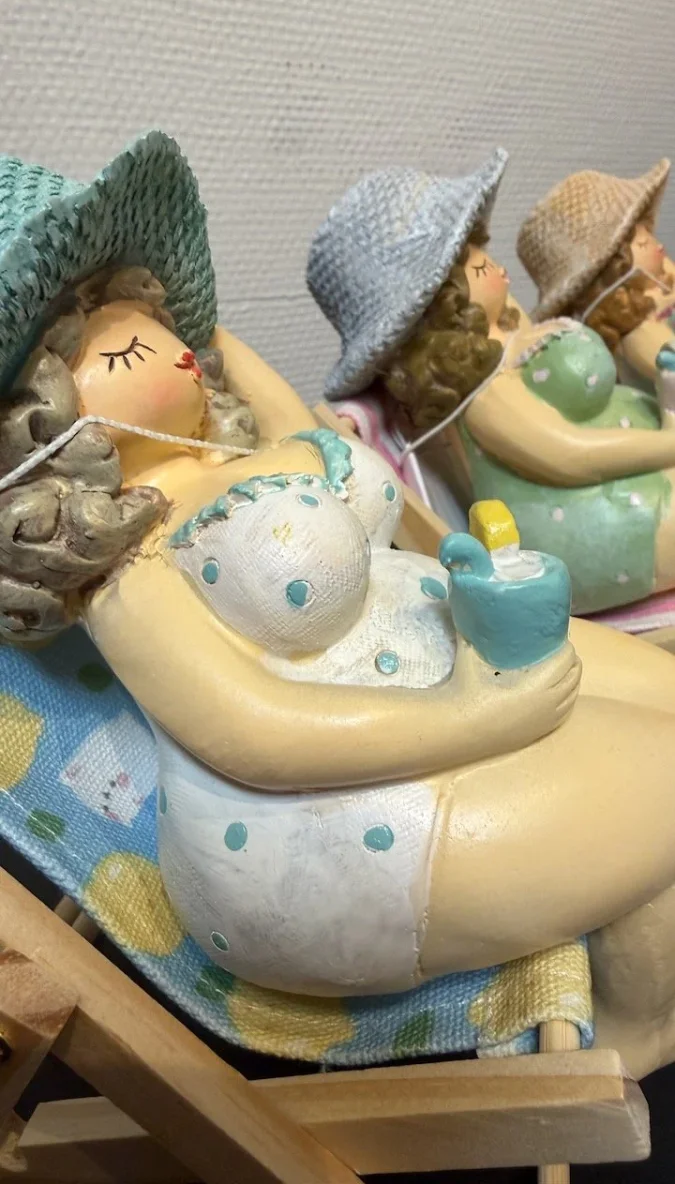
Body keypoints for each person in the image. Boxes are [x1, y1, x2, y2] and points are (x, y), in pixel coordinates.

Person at [3, 134, 675, 1076]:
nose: (183, 355)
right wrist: (470, 719)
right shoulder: (130, 563)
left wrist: (174, 302)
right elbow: (252, 733)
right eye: (130, 348)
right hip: (331, 824)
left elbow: (283, 413)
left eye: (161, 325)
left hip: (434, 659)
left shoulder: (229, 451)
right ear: (39, 412)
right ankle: (636, 1033)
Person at [308, 152, 675, 617]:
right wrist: (669, 441)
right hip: (588, 524)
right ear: (444, 303)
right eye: (479, 268)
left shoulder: (507, 338)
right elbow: (570, 455)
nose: (501, 271)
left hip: (625, 481)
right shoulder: (487, 395)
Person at [517, 159, 675, 391]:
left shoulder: (661, 277)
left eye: (649, 234)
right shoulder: (638, 334)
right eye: (643, 243)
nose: (658, 246)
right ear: (616, 270)